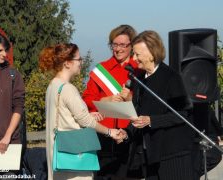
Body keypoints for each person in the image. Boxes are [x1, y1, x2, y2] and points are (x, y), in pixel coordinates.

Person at [118, 30, 194, 180]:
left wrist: (151, 121)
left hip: (172, 155)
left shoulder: (171, 77)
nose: (133, 58)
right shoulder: (139, 80)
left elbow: (183, 114)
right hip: (149, 156)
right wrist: (126, 133)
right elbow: (138, 116)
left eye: (137, 54)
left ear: (152, 54)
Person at [39, 43, 121, 180]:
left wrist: (88, 115)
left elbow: (66, 115)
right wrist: (110, 131)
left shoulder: (53, 85)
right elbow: (85, 121)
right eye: (78, 59)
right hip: (74, 154)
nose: (81, 62)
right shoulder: (68, 88)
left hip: (58, 153)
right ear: (67, 63)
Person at [82, 24, 138, 179]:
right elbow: (85, 99)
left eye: (122, 45)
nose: (118, 49)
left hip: (130, 136)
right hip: (104, 138)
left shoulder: (139, 70)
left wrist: (130, 99)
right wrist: (104, 100)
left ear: (131, 46)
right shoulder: (101, 70)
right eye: (114, 44)